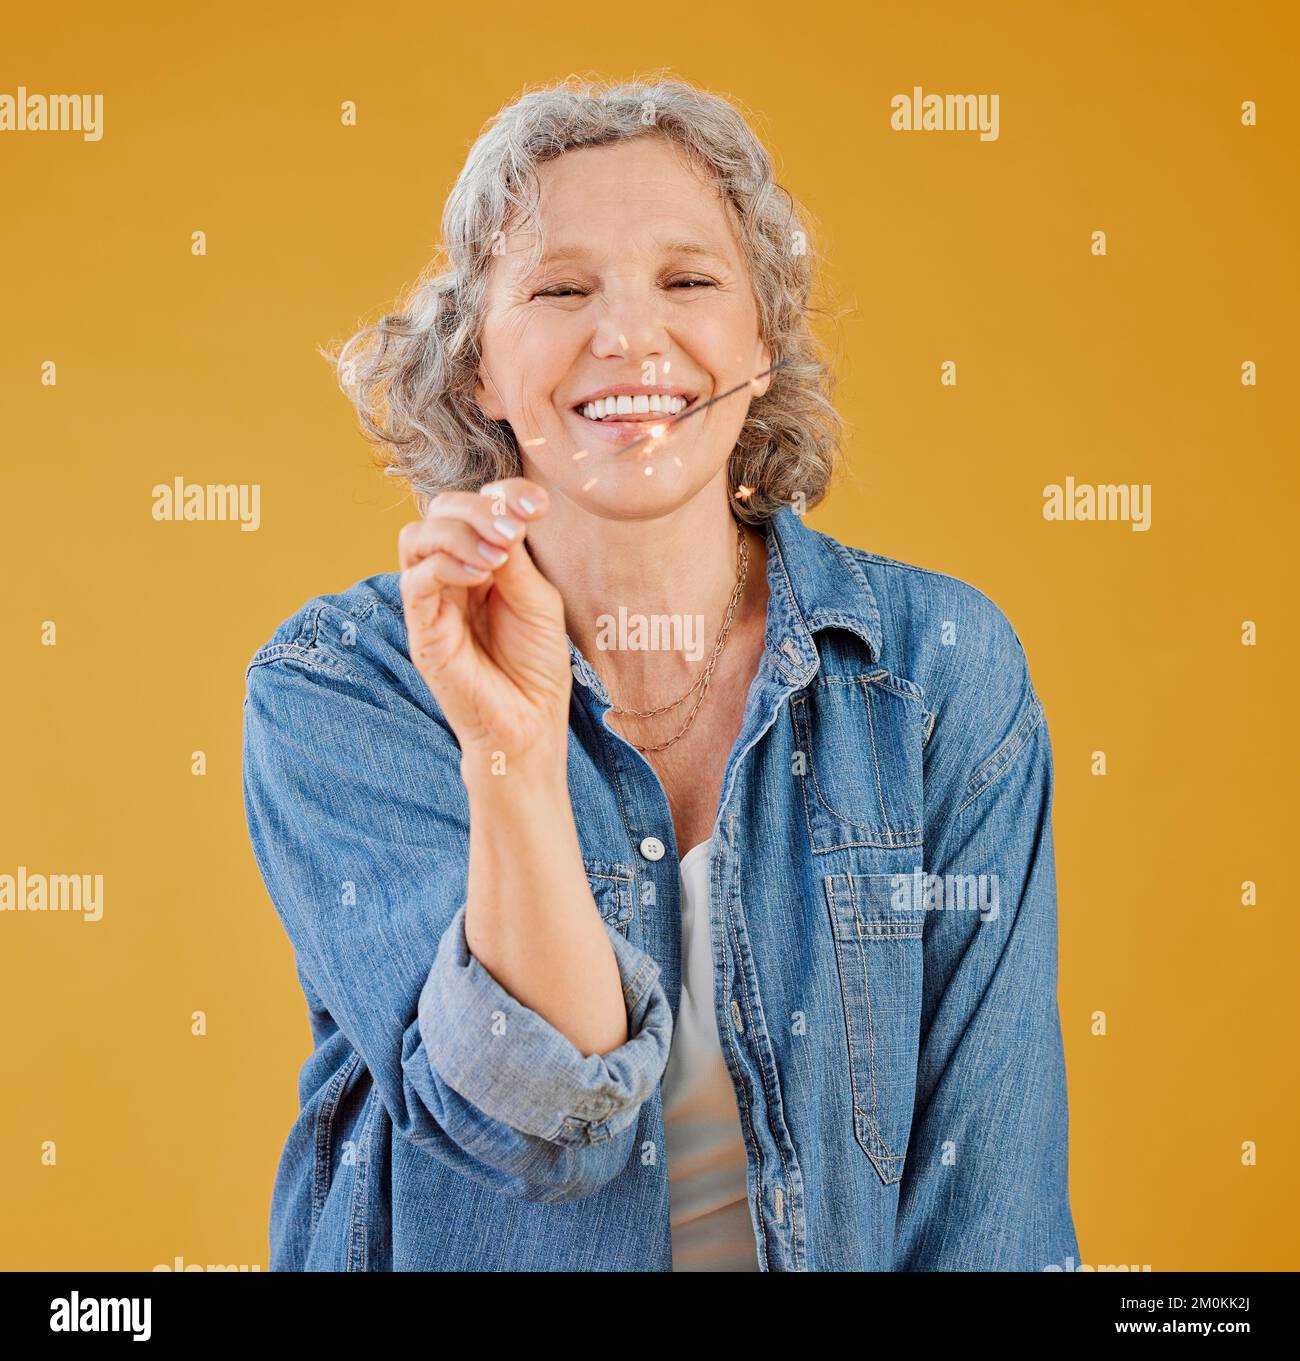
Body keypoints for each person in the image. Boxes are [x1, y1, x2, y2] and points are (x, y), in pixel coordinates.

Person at [242, 73, 1081, 1271]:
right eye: (560, 287)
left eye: (688, 282)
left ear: (758, 339)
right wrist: (513, 749)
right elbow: (532, 1125)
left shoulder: (939, 673)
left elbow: (987, 1206)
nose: (629, 334)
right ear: (480, 363)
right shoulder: (340, 686)